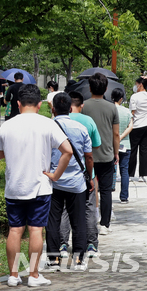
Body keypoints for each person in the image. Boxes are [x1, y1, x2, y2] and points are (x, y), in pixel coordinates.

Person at [0, 84, 73, 287]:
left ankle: (13, 275)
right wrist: (55, 175)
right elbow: (68, 151)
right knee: (36, 230)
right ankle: (34, 276)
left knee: (15, 230)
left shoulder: (7, 125)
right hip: (40, 186)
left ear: (18, 104)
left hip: (14, 186)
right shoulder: (48, 124)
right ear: (39, 104)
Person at [44, 93, 94, 272]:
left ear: (53, 109)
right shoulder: (80, 128)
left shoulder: (48, 127)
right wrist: (90, 177)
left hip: (53, 182)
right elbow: (88, 156)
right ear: (71, 108)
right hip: (77, 183)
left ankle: (53, 260)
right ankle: (79, 260)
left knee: (53, 221)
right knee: (78, 220)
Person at [59, 91, 102, 258]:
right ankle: (91, 244)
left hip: (60, 174)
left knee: (63, 210)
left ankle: (62, 244)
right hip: (83, 174)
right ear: (81, 105)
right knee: (89, 208)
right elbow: (95, 147)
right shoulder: (88, 121)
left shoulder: (57, 122)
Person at [81, 73, 119, 236]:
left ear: (90, 88)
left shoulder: (83, 106)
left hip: (86, 155)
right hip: (106, 155)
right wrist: (116, 153)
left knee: (87, 189)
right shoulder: (112, 108)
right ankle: (105, 224)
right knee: (105, 190)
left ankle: (86, 220)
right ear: (106, 89)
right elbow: (116, 134)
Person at [128, 76, 147, 182]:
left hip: (137, 126)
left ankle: (130, 174)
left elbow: (132, 112)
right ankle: (143, 175)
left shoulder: (134, 97)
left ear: (140, 84)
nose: (135, 86)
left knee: (133, 150)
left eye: (136, 83)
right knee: (144, 150)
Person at [112, 88, 133, 203]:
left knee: (110, 169)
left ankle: (108, 190)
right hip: (125, 144)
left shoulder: (110, 110)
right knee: (124, 170)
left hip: (110, 144)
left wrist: (116, 138)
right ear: (121, 98)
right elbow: (131, 126)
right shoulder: (126, 111)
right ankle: (124, 197)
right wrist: (121, 137)